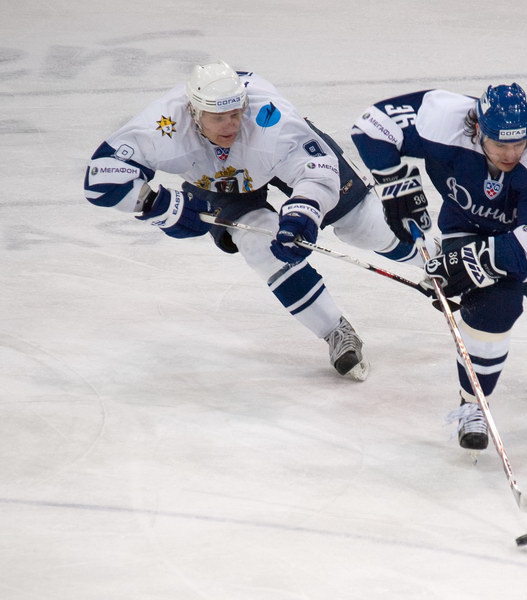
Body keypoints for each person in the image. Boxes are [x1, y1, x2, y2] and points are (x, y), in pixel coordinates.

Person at [83, 60, 434, 381]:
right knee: (259, 243)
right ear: (193, 112)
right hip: (215, 179)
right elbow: (100, 178)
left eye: (235, 114)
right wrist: (161, 206)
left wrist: (304, 213)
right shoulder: (162, 126)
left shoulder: (271, 120)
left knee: (365, 224)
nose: (230, 125)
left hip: (275, 160)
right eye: (218, 117)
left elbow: (317, 172)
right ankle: (334, 330)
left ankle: (444, 267)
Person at [351, 83, 527, 450]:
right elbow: (371, 126)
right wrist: (393, 181)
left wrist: (467, 264)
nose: (512, 153)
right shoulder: (443, 118)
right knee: (492, 310)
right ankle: (474, 407)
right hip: (470, 227)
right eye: (501, 144)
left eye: (521, 143)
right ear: (477, 128)